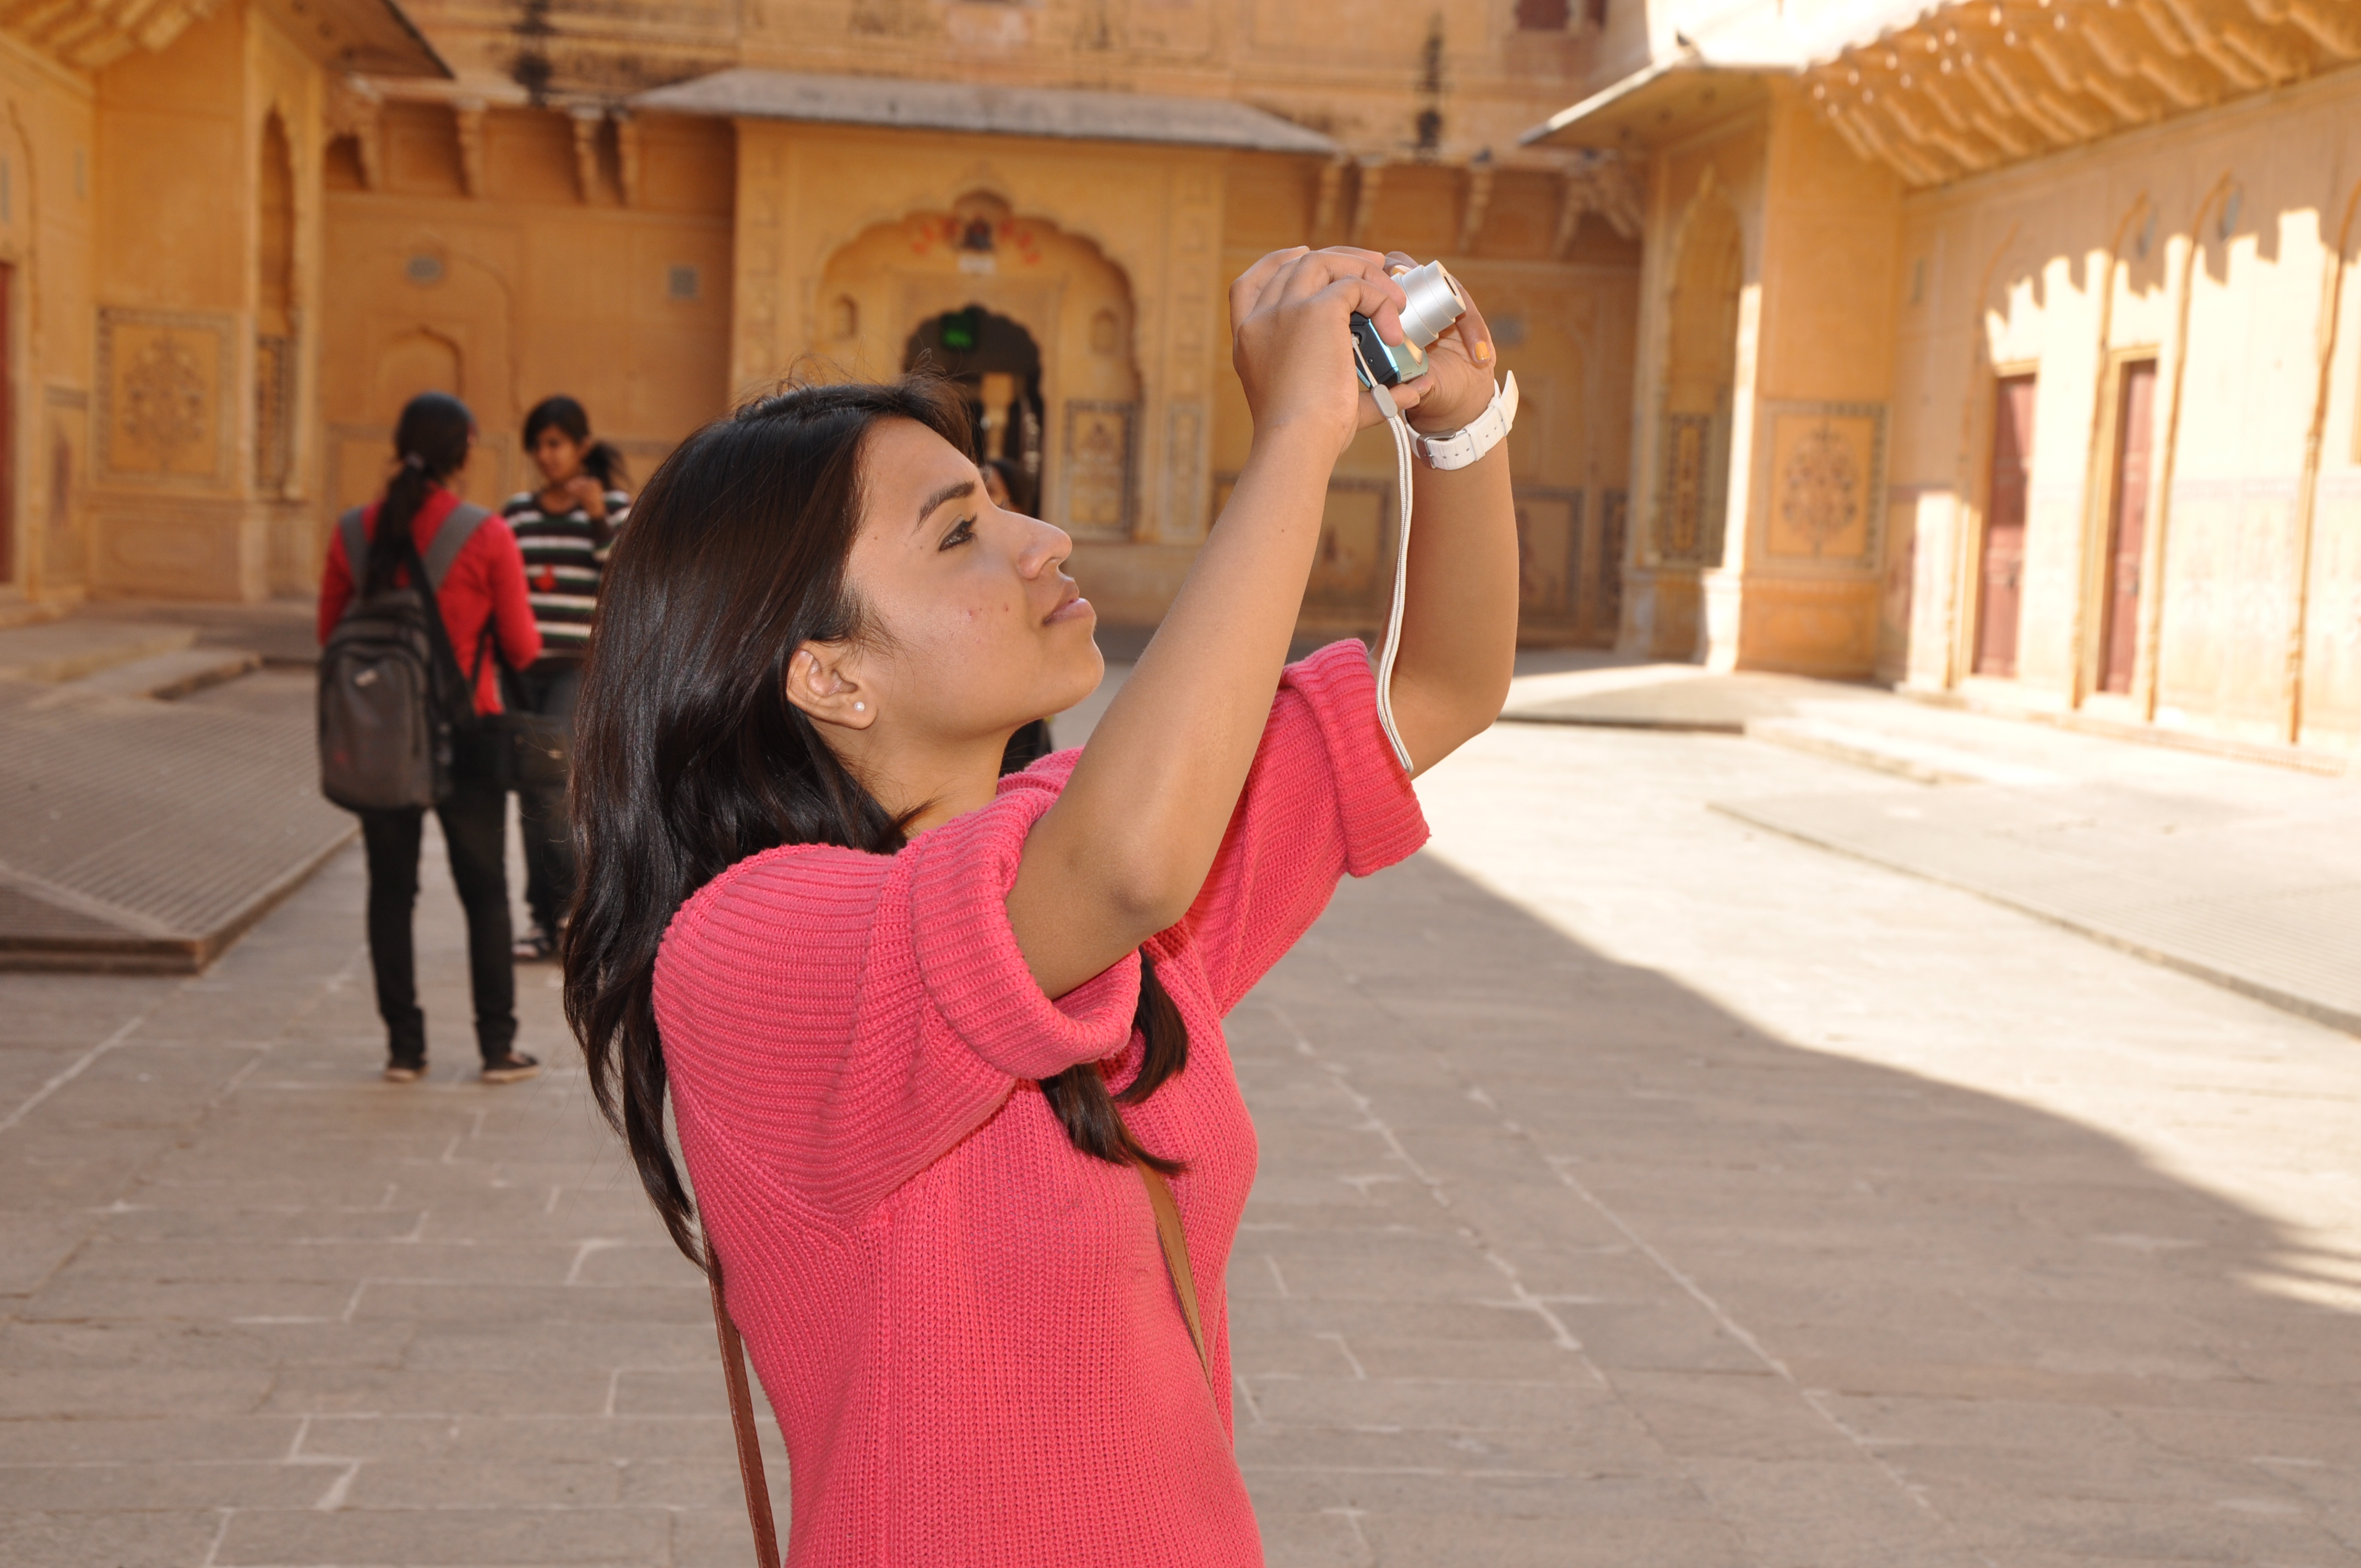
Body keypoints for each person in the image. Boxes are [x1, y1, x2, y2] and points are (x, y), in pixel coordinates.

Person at [566, 246, 1516, 1563]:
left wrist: (1457, 426)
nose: (1039, 540)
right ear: (828, 675)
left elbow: (1435, 692)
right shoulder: (748, 946)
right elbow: (1121, 863)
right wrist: (1297, 432)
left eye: (1001, 503)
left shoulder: (1097, 858)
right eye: (959, 532)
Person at [318, 391, 546, 1085]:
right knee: (484, 891)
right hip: (465, 735)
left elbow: (330, 634)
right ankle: (496, 1046)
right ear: (463, 452)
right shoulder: (486, 534)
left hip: (381, 738)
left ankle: (404, 1049)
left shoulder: (352, 532)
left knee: (391, 893)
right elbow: (523, 646)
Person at [502, 396, 631, 961]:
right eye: (538, 445)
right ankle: (546, 917)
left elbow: (625, 578)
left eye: (556, 443)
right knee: (533, 793)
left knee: (553, 788)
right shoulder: (517, 514)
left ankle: (569, 913)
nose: (546, 455)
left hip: (575, 670)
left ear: (582, 446)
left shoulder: (615, 508)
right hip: (521, 672)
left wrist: (598, 515)